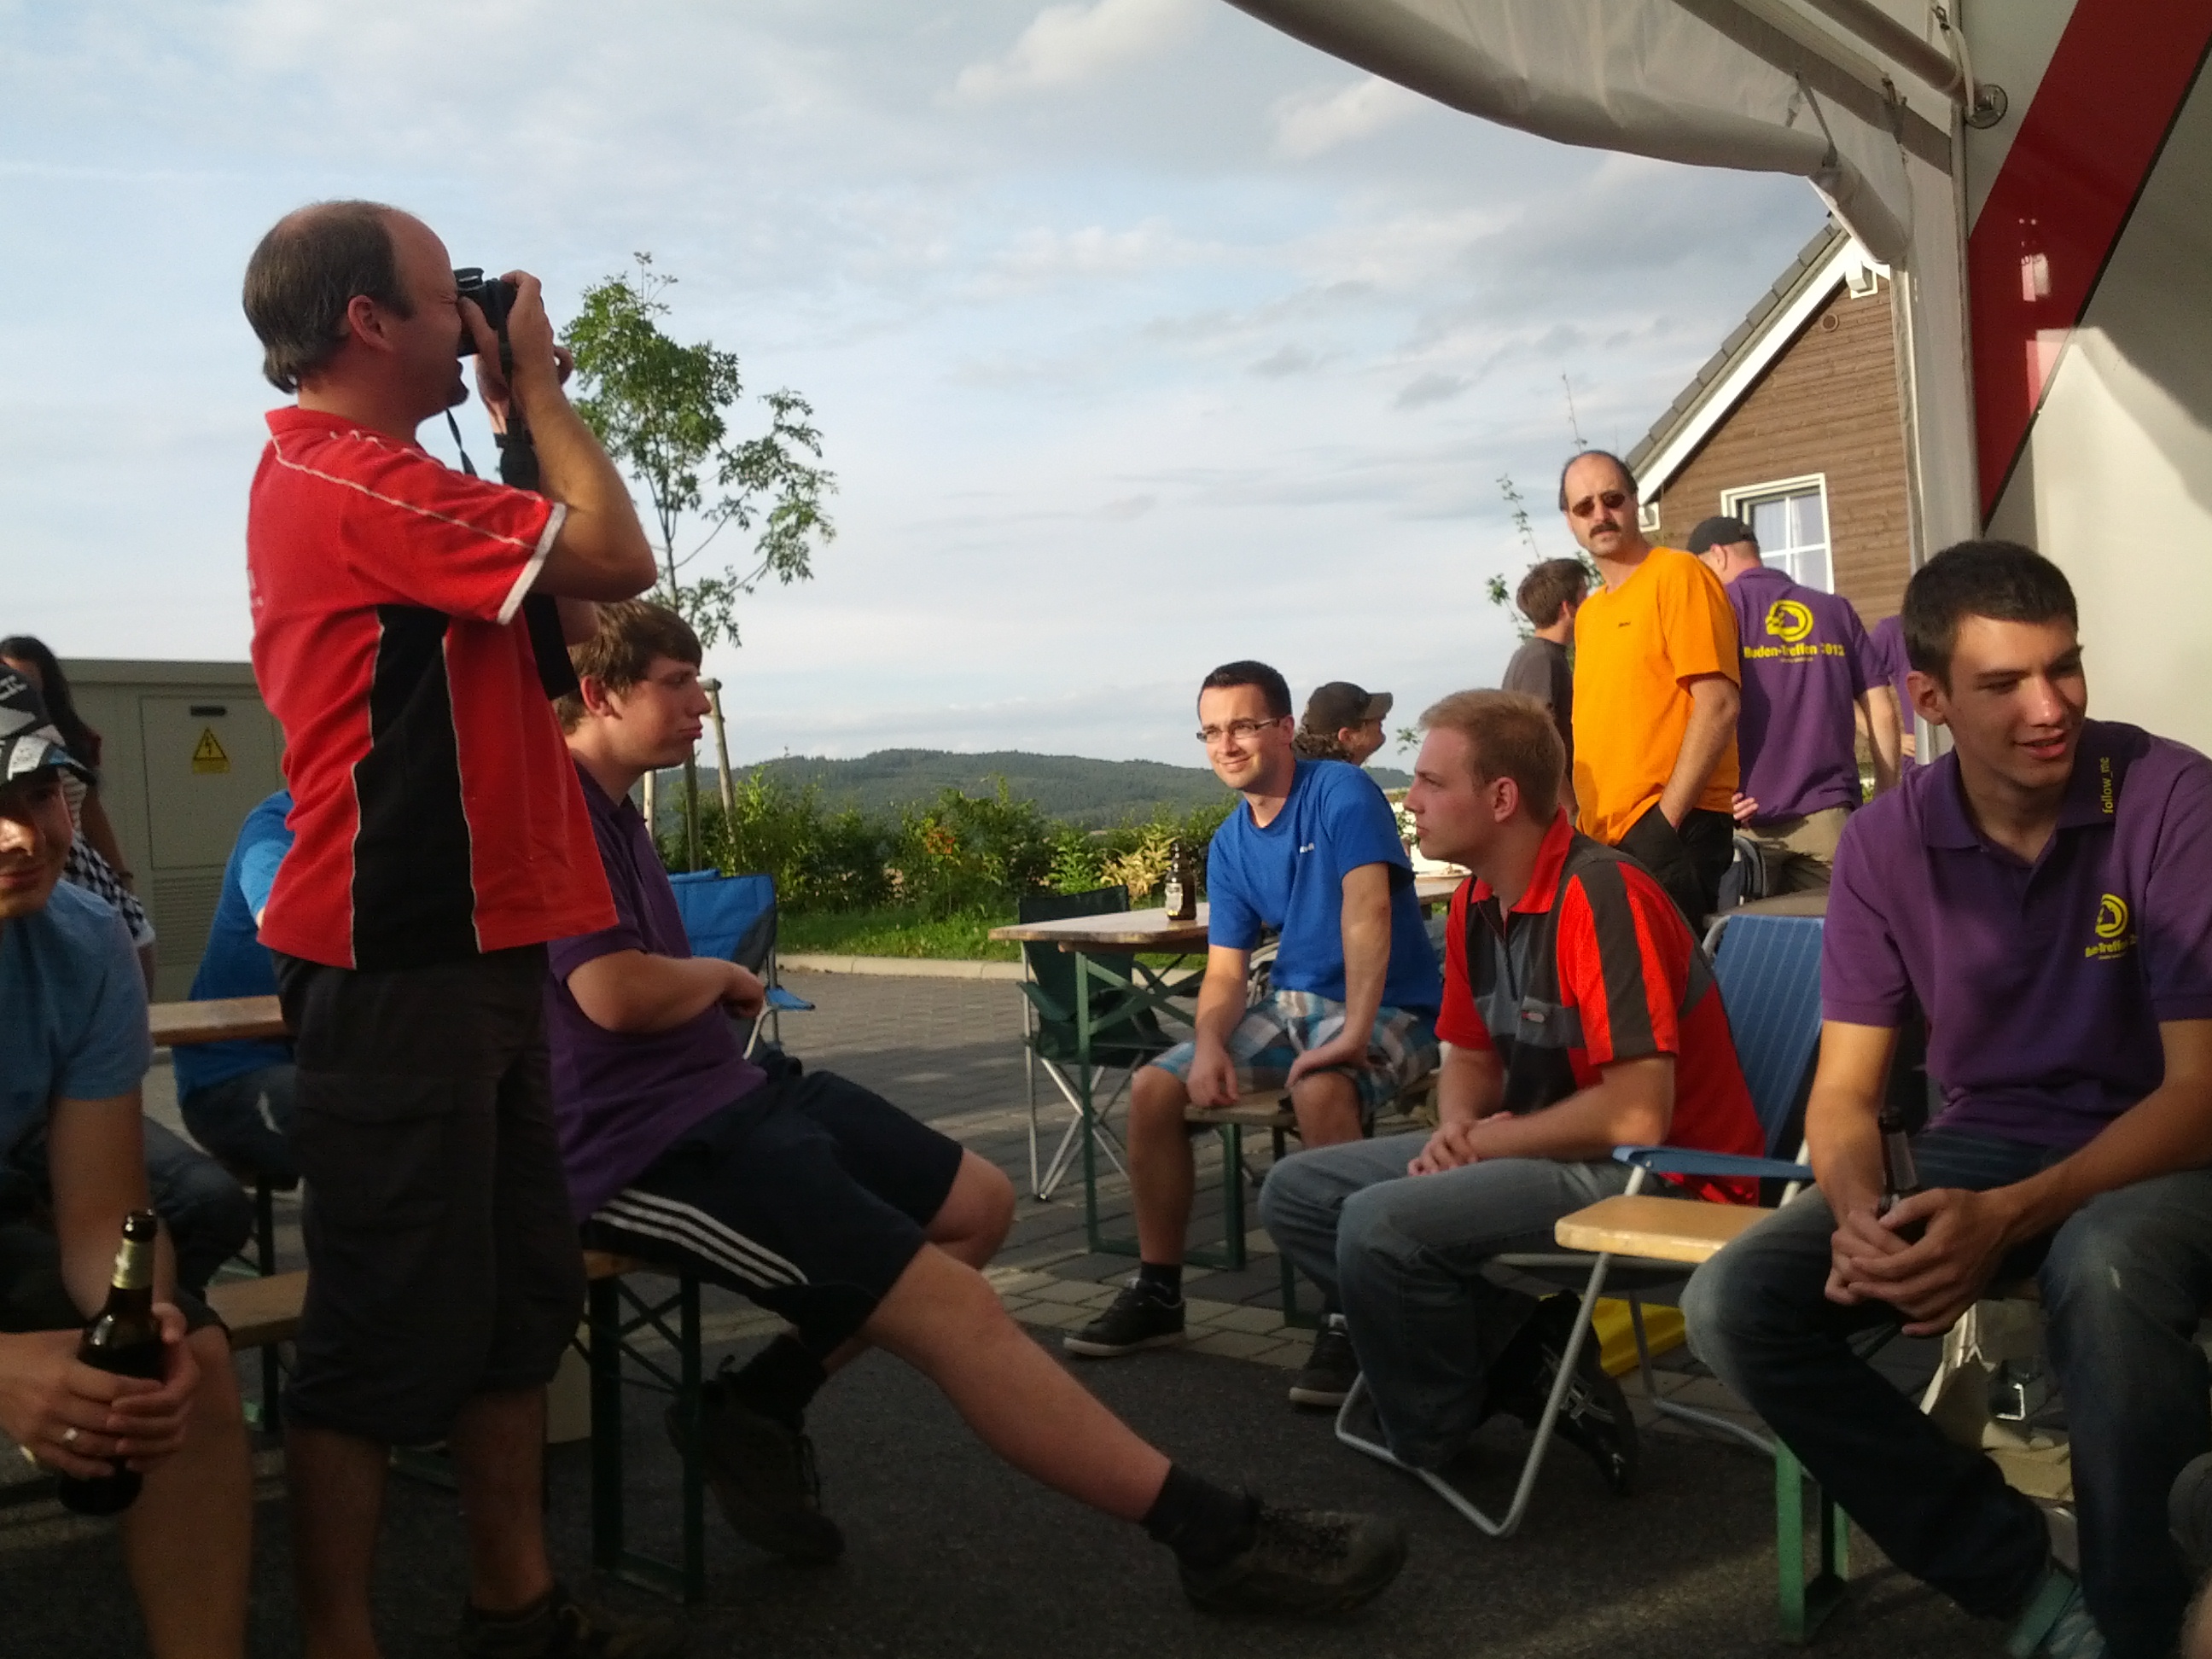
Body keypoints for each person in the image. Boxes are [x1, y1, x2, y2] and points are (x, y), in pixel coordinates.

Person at [547, 602, 1409, 1615]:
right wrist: (715, 975)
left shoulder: (615, 808)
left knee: (980, 1206)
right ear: (601, 695)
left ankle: (758, 1404)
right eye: (678, 684)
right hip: (644, 1144)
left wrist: (704, 987)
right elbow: (611, 994)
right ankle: (1214, 1537)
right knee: (956, 1312)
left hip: (735, 1089)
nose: (702, 702)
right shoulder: (553, 813)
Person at [242, 200, 667, 1659]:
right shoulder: (344, 473)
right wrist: (536, 388)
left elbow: (561, 635)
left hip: (473, 945)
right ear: (367, 319)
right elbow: (621, 556)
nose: (471, 316)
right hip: (397, 949)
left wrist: (503, 423)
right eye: (445, 296)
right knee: (380, 1327)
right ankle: (340, 1638)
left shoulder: (404, 485)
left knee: (511, 1298)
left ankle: (513, 1603)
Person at [1681, 541, 2212, 1659]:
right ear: (1927, 700)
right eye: (2004, 683)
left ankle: (2143, 1626)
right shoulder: (1886, 841)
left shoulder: (2171, 797)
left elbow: (2199, 1094)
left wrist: (2009, 1218)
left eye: (2064, 667)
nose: (2050, 707)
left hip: (2166, 1146)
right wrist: (1860, 1216)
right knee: (1735, 1303)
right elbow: (1844, 1092)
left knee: (2104, 1265)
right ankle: (2026, 1587)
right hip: (1991, 1143)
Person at [1260, 690, 1763, 1489]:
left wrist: (1484, 1142)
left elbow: (1638, 1114)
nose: (1411, 802)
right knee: (1297, 1193)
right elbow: (1467, 1056)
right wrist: (1456, 1131)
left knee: (1378, 1222)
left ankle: (1432, 1436)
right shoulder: (1475, 901)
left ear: (1501, 799)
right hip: (1549, 1148)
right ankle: (1527, 1352)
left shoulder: (1601, 896)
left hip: (1666, 1175)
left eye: (1431, 783)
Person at [1066, 661, 1441, 1412]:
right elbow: (1226, 974)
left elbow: (1369, 911)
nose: (1226, 745)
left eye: (1242, 725)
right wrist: (1208, 1045)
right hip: (1291, 1004)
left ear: (1284, 727)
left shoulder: (1340, 792)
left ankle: (1350, 1311)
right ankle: (1160, 1291)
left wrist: (1354, 1030)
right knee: (1153, 1087)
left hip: (1393, 1006)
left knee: (1323, 1089)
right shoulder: (1230, 842)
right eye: (1211, 731)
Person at [0, 668, 253, 1657]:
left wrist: (150, 1323)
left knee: (185, 1369)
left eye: (37, 792)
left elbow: (100, 1214)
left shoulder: (85, 941)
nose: (23, 834)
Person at [1557, 451, 1741, 924]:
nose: (1600, 514)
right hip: (1606, 839)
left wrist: (1665, 821)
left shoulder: (1679, 574)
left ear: (1635, 501)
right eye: (1584, 507)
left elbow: (1719, 703)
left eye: (1612, 499)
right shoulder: (1590, 615)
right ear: (1569, 521)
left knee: (1667, 970)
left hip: (1673, 829)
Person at [1688, 515, 1901, 892]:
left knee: (1749, 931)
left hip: (1746, 824)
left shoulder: (1718, 612)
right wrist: (1884, 796)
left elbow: (1696, 712)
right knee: (1837, 927)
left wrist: (1710, 798)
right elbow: (1881, 710)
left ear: (1718, 555)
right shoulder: (1834, 610)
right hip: (1830, 817)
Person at [0, 639, 159, 988]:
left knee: (128, 945)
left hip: (75, 860)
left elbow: (90, 808)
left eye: (43, 794)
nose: (25, 835)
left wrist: (122, 876)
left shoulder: (69, 737)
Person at [172, 789, 299, 1188]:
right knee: (355, 1111)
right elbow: (282, 921)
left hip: (317, 1056)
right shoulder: (275, 825)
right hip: (232, 1075)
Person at [1499, 557, 1587, 798]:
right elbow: (1536, 738)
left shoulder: (1538, 655)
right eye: (1585, 596)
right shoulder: (1543, 659)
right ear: (1567, 608)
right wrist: (1568, 803)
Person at [1294, 680, 1393, 765]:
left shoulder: (1303, 773)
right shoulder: (1344, 780)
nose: (1383, 717)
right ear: (1347, 737)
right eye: (1371, 718)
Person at [1866, 610, 1919, 765]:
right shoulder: (1894, 631)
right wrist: (1894, 739)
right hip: (1923, 764)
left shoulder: (1969, 624)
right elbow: (1846, 687)